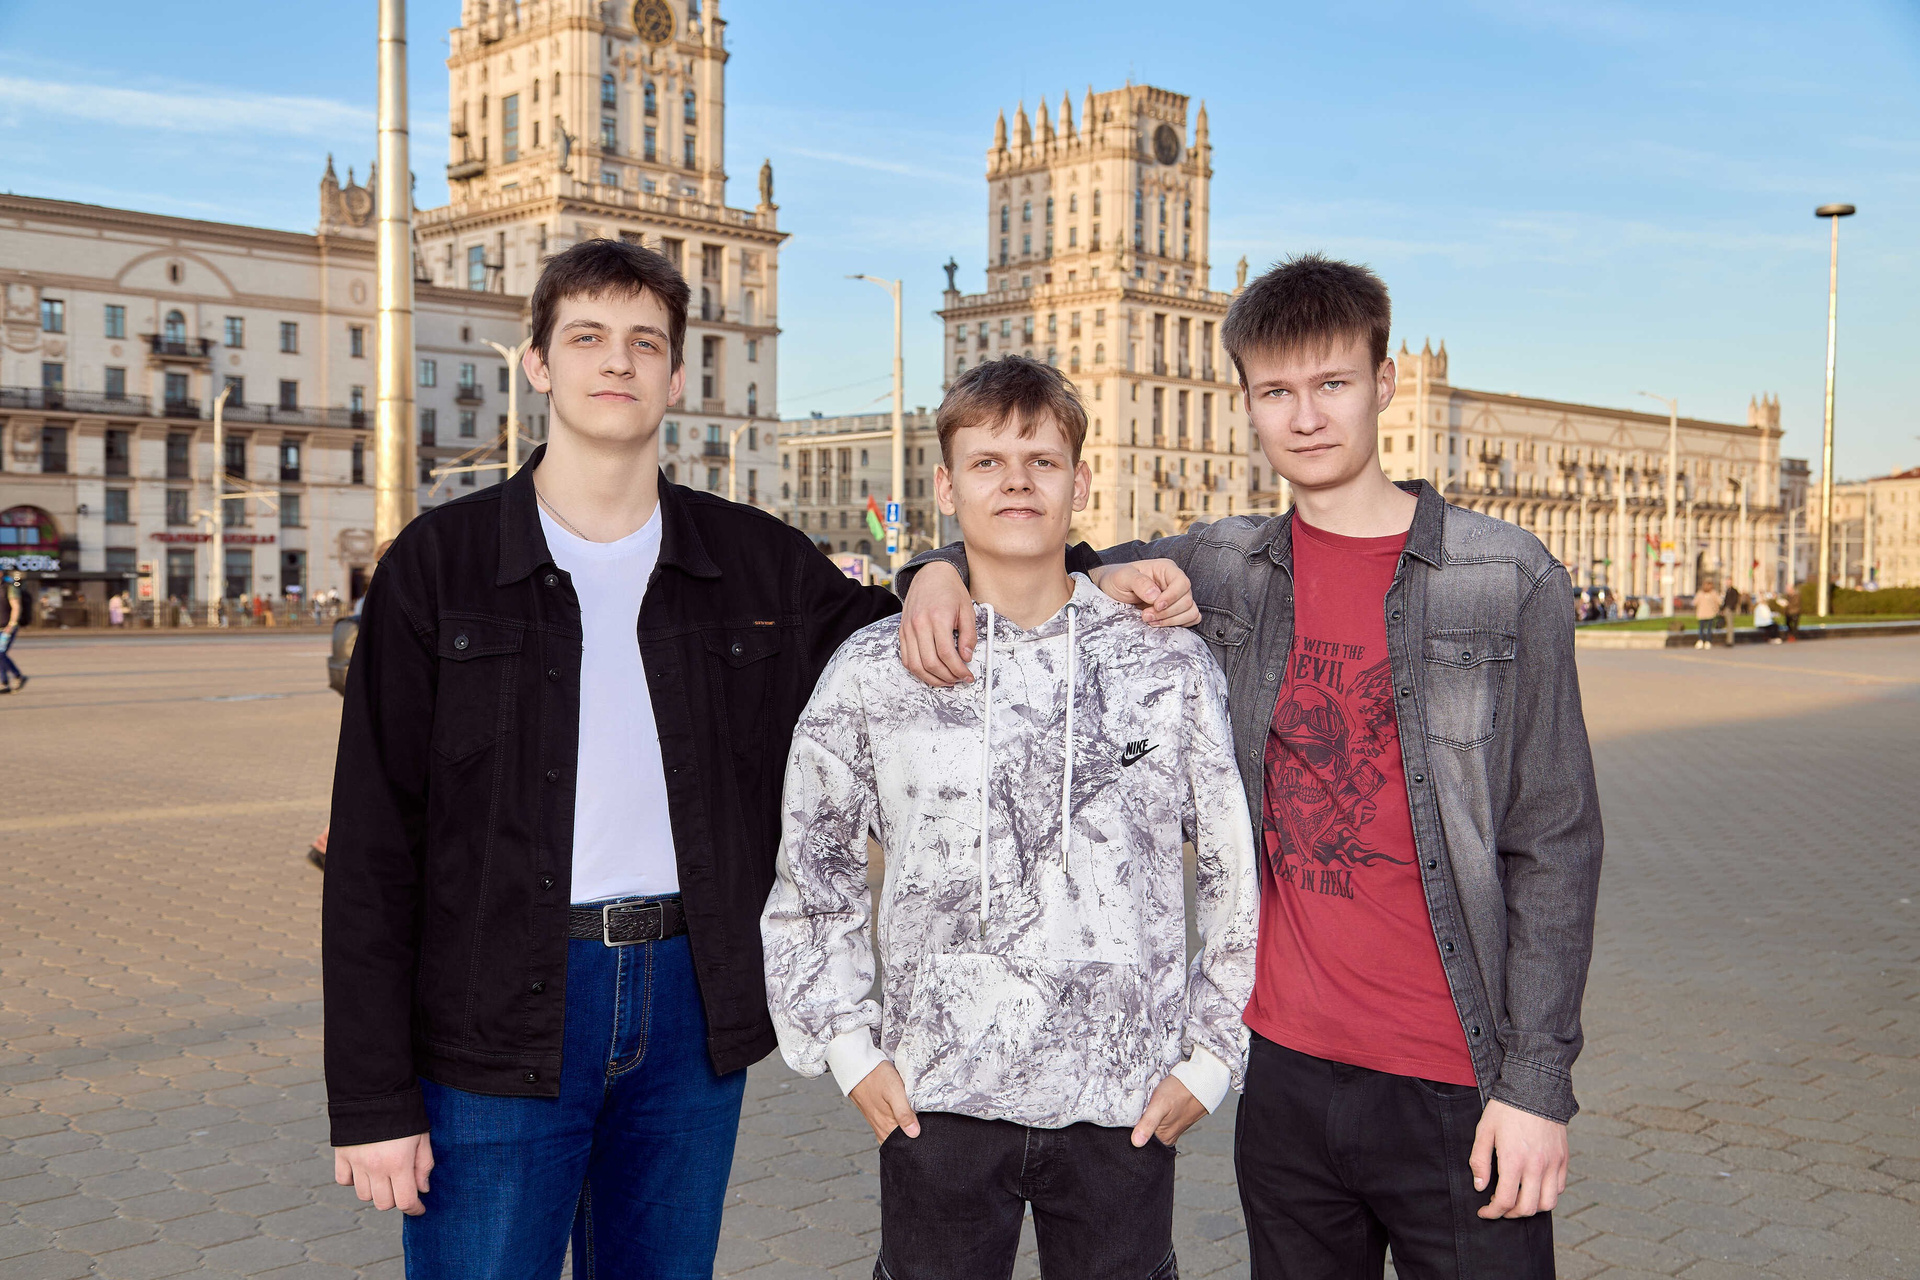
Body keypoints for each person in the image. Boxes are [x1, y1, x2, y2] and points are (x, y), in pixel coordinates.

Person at [900, 254, 1603, 1279]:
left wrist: (1535, 1086)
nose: (1305, 417)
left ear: (1385, 382)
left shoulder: (1505, 576)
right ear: (1247, 405)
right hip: (1286, 1080)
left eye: (1332, 383)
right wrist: (933, 572)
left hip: (1456, 1078)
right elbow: (1036, 554)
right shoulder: (1226, 566)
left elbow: (1556, 843)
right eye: (1276, 392)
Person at [762, 357, 1259, 1280]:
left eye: (1042, 460)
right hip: (935, 1101)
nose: (1018, 482)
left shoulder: (1168, 666)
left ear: (1080, 481)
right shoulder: (875, 669)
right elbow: (813, 869)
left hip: (1125, 1101)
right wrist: (847, 1049)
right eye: (987, 462)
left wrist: (1212, 1059)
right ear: (946, 487)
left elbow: (1233, 871)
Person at [0, 572, 27, 693]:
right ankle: (4, 683)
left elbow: (16, 607)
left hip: (7, 627)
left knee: (0, 653)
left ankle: (17, 676)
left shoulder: (9, 587)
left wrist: (11, 624)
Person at [1693, 582, 1720, 650]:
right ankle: (1707, 641)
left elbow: (1695, 602)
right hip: (1709, 614)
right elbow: (1719, 601)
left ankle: (1701, 641)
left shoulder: (1700, 593)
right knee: (1708, 629)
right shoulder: (1713, 593)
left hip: (1702, 614)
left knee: (1702, 628)